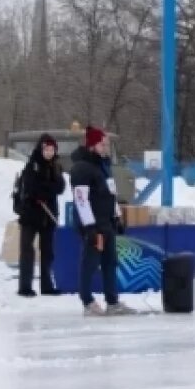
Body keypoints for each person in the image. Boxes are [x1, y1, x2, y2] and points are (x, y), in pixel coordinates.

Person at [70, 126, 136, 316]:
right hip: (93, 225)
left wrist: (117, 216)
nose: (106, 147)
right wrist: (90, 227)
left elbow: (111, 194)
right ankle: (87, 301)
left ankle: (112, 301)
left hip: (106, 223)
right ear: (92, 145)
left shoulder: (104, 166)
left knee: (110, 262)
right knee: (90, 263)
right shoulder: (82, 168)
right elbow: (81, 200)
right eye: (102, 144)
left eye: (106, 144)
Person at [16, 133, 66, 297]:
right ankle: (25, 286)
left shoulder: (56, 166)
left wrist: (47, 189)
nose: (50, 152)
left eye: (52, 149)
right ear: (41, 149)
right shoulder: (32, 165)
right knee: (27, 250)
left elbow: (60, 187)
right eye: (47, 149)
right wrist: (47, 189)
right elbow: (32, 187)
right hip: (30, 214)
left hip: (49, 214)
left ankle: (47, 285)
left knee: (48, 251)